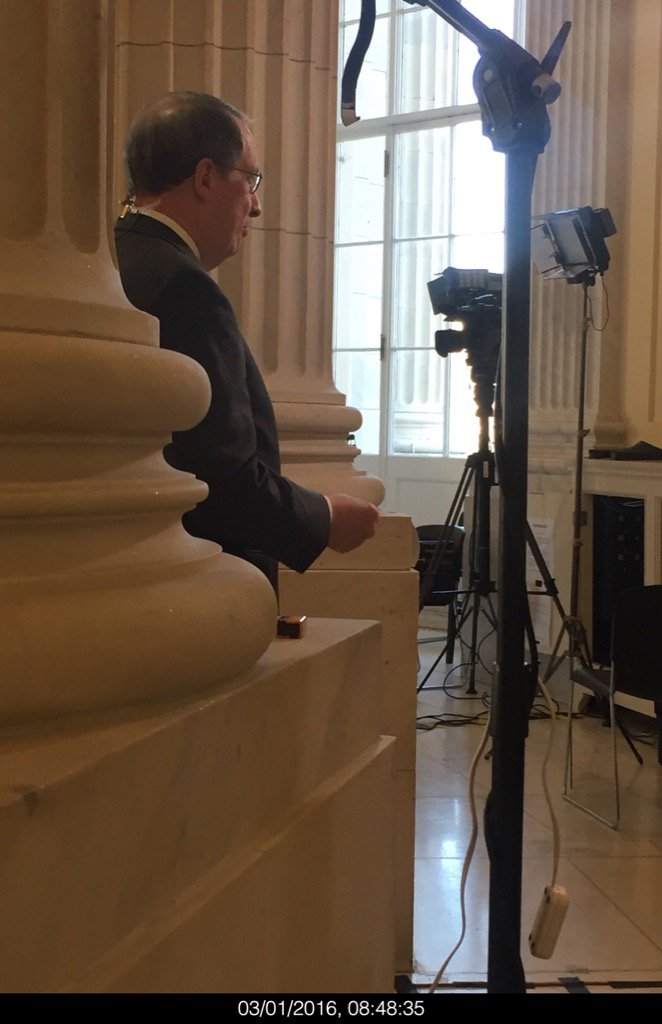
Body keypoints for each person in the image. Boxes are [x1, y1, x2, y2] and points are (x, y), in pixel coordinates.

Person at [114, 91, 379, 594]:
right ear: (205, 177)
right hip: (191, 585)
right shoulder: (185, 289)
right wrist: (323, 518)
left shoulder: (111, 257)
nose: (256, 206)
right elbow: (218, 478)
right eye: (251, 180)